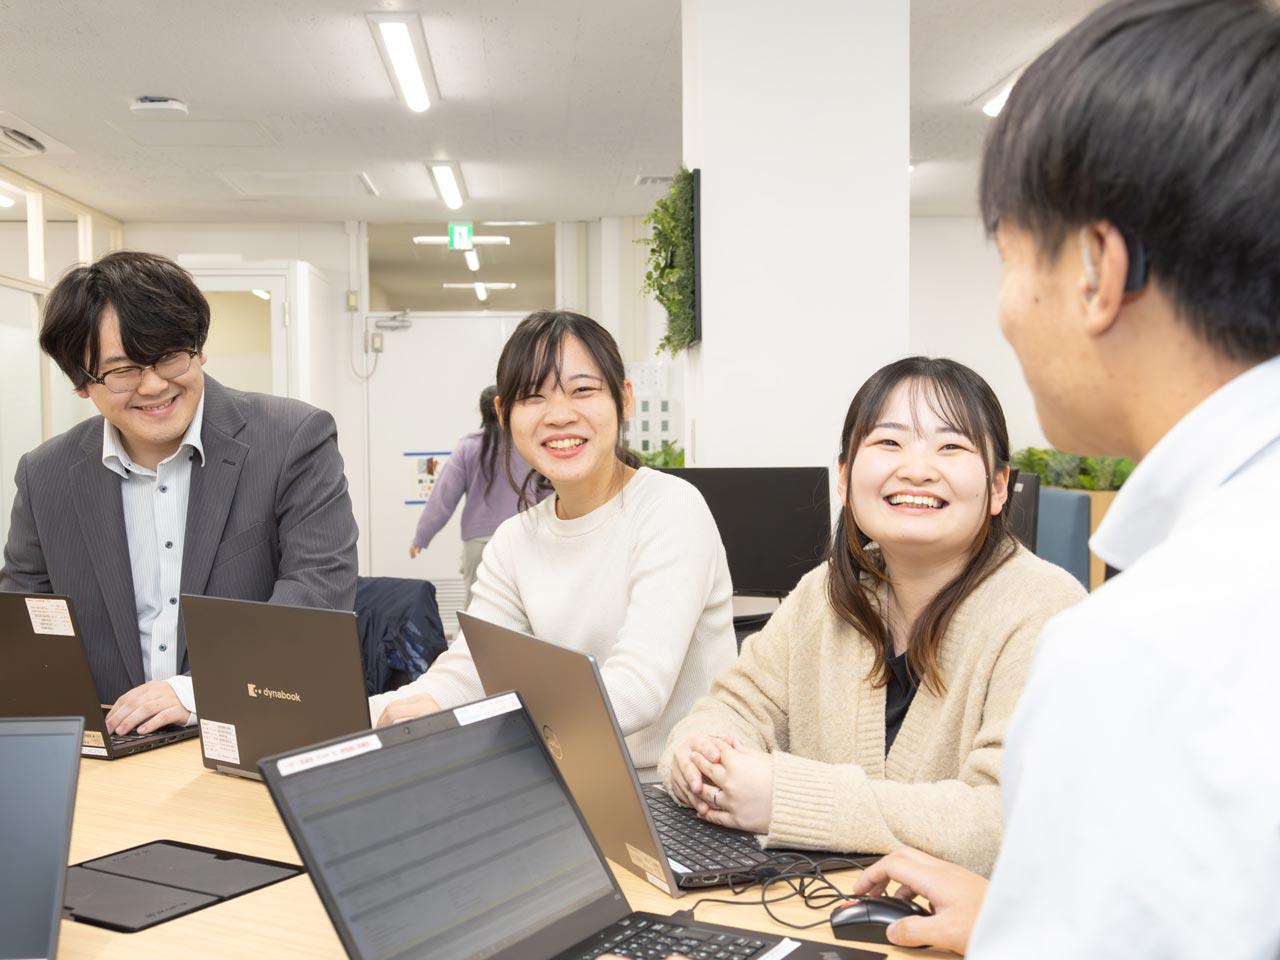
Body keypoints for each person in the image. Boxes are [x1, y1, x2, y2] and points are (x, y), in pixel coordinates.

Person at [847, 1, 1280, 956]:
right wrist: (1019, 919)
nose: (1005, 309)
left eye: (1008, 259)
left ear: (1096, 270)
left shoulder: (1133, 652)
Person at [658, 358, 1084, 874]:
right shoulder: (823, 596)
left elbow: (1008, 820)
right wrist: (699, 756)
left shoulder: (1048, 612)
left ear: (998, 488)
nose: (917, 469)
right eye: (889, 442)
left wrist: (787, 799)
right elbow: (732, 708)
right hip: (818, 907)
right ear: (844, 477)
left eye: (951, 446)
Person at [0, 251, 359, 736]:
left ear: (199, 349)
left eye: (169, 356)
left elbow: (316, 596)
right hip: (113, 749)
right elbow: (25, 627)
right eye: (123, 370)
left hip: (260, 731)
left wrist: (195, 691)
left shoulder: (292, 439)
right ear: (81, 383)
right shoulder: (46, 475)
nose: (153, 386)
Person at [370, 310, 737, 778]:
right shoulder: (513, 540)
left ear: (624, 399)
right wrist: (393, 710)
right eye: (532, 397)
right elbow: (470, 669)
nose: (560, 415)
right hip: (565, 777)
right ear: (504, 414)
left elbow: (637, 691)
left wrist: (471, 722)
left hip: (672, 789)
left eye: (582, 390)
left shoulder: (670, 509)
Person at [409, 385, 545, 607]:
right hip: (523, 538)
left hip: (478, 543)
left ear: (481, 411)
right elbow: (547, 491)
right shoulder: (526, 444)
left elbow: (444, 496)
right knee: (524, 608)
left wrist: (421, 537)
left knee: (476, 609)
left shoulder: (467, 447)